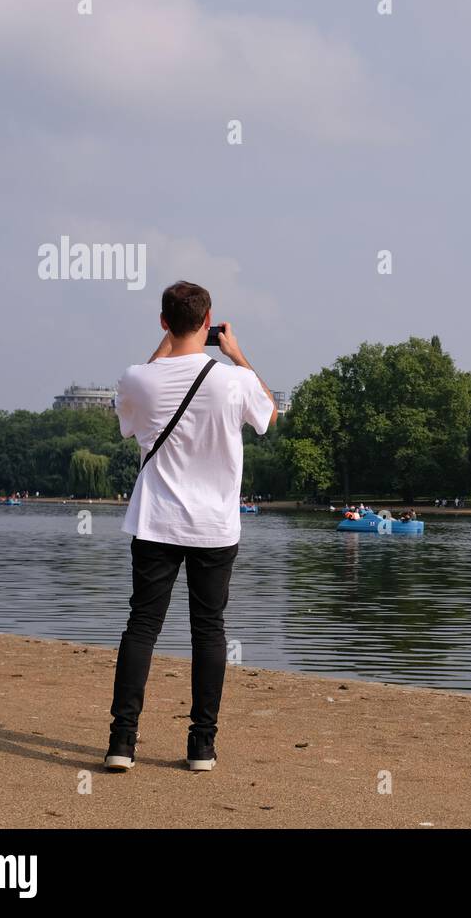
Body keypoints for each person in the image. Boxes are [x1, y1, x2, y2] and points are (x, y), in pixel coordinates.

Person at [104, 281, 278, 774]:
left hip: (156, 521)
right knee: (209, 630)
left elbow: (131, 405)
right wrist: (238, 353)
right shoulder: (233, 381)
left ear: (163, 322)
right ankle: (201, 746)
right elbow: (269, 412)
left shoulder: (139, 378)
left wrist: (168, 346)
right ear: (209, 321)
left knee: (142, 625)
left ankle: (122, 742)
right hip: (214, 528)